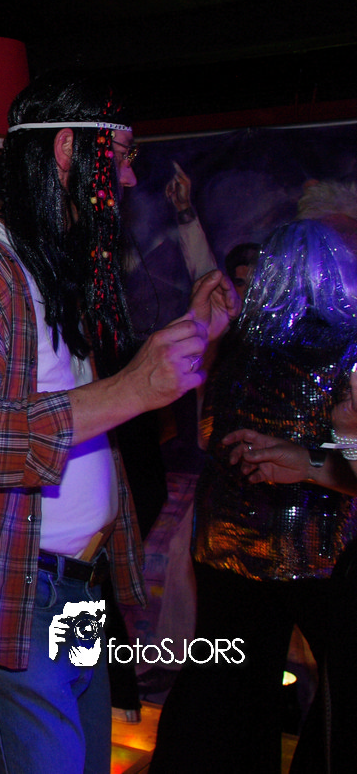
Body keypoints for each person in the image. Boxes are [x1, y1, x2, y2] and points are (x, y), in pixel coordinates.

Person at [0, 73, 237, 774]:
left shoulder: (49, 265)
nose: (131, 176)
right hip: (11, 589)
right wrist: (132, 388)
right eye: (122, 154)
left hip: (75, 588)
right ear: (65, 150)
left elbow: (83, 396)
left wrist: (192, 333)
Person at [150, 219, 357, 774]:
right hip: (317, 548)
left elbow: (207, 434)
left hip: (228, 543)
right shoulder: (347, 345)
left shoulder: (240, 345)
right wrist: (310, 460)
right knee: (339, 689)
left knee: (225, 684)